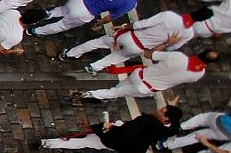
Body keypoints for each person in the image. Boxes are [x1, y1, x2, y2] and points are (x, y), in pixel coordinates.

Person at [41, 101, 182, 153]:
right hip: (131, 146)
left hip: (116, 138)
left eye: (162, 111)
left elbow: (126, 133)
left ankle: (49, 144)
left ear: (165, 118)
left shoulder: (144, 122)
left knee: (85, 142)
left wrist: (109, 127)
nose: (158, 110)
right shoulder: (169, 128)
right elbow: (175, 127)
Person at [82, 49, 218, 101]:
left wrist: (163, 45)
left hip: (139, 74)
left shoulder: (177, 56)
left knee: (119, 88)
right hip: (146, 88)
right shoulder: (198, 75)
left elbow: (149, 54)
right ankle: (90, 94)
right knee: (115, 93)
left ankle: (101, 95)